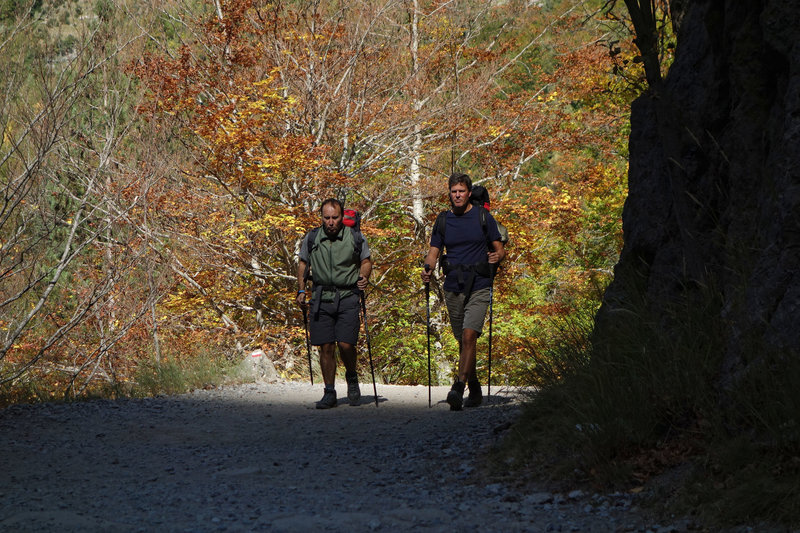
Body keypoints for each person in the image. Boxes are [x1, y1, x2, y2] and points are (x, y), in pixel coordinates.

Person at [421, 173, 505, 410]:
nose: (457, 195)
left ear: (469, 193)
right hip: (453, 286)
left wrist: (497, 256)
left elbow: (500, 250)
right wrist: (427, 269)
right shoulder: (443, 220)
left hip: (479, 284)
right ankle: (475, 387)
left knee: (469, 336)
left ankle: (458, 387)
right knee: (462, 341)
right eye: (453, 191)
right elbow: (434, 252)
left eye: (461, 191)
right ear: (449, 193)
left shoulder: (482, 217)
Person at [297, 198, 372, 409]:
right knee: (326, 346)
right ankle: (329, 392)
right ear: (321, 217)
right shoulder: (312, 238)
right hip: (321, 297)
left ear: (342, 217)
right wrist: (301, 289)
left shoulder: (355, 237)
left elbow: (366, 261)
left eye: (335, 217)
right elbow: (303, 263)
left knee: (346, 344)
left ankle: (351, 377)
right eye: (326, 217)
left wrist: (364, 276)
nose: (330, 222)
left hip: (348, 296)